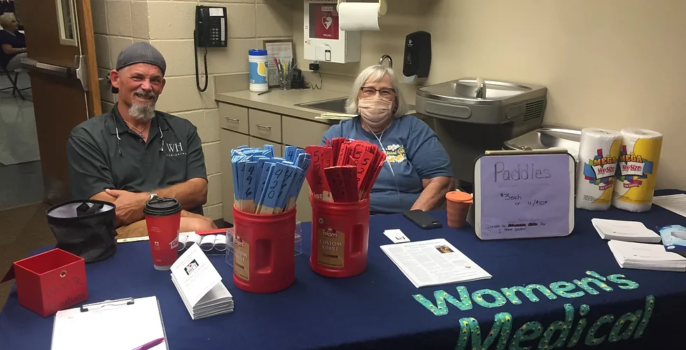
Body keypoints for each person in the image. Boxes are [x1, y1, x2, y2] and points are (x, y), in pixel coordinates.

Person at [67, 42, 216, 238]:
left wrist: (145, 201)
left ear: (162, 86)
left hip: (187, 231)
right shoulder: (87, 137)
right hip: (120, 236)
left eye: (155, 80)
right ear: (115, 79)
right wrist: (183, 212)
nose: (146, 87)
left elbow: (198, 191)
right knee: (202, 227)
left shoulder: (182, 129)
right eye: (137, 77)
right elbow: (112, 210)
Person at [321, 65, 453, 214]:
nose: (377, 98)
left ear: (395, 100)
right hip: (352, 218)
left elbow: (440, 182)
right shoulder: (338, 134)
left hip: (409, 216)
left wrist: (414, 219)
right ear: (357, 97)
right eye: (369, 91)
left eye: (385, 92)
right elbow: (319, 188)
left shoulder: (414, 130)